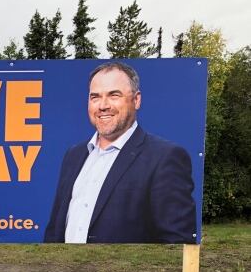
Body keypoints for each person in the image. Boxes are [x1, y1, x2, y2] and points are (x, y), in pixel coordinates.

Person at [44, 61, 197, 244]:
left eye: (114, 95)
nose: (103, 105)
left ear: (136, 100)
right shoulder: (74, 155)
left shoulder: (165, 158)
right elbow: (54, 232)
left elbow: (177, 246)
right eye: (95, 97)